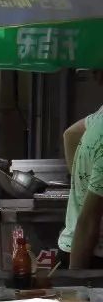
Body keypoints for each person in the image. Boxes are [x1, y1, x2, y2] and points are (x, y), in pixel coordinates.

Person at [59, 108, 103, 269]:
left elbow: (70, 134)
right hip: (91, 256)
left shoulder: (99, 117)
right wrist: (75, 281)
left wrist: (80, 182)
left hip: (72, 245)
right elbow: (88, 222)